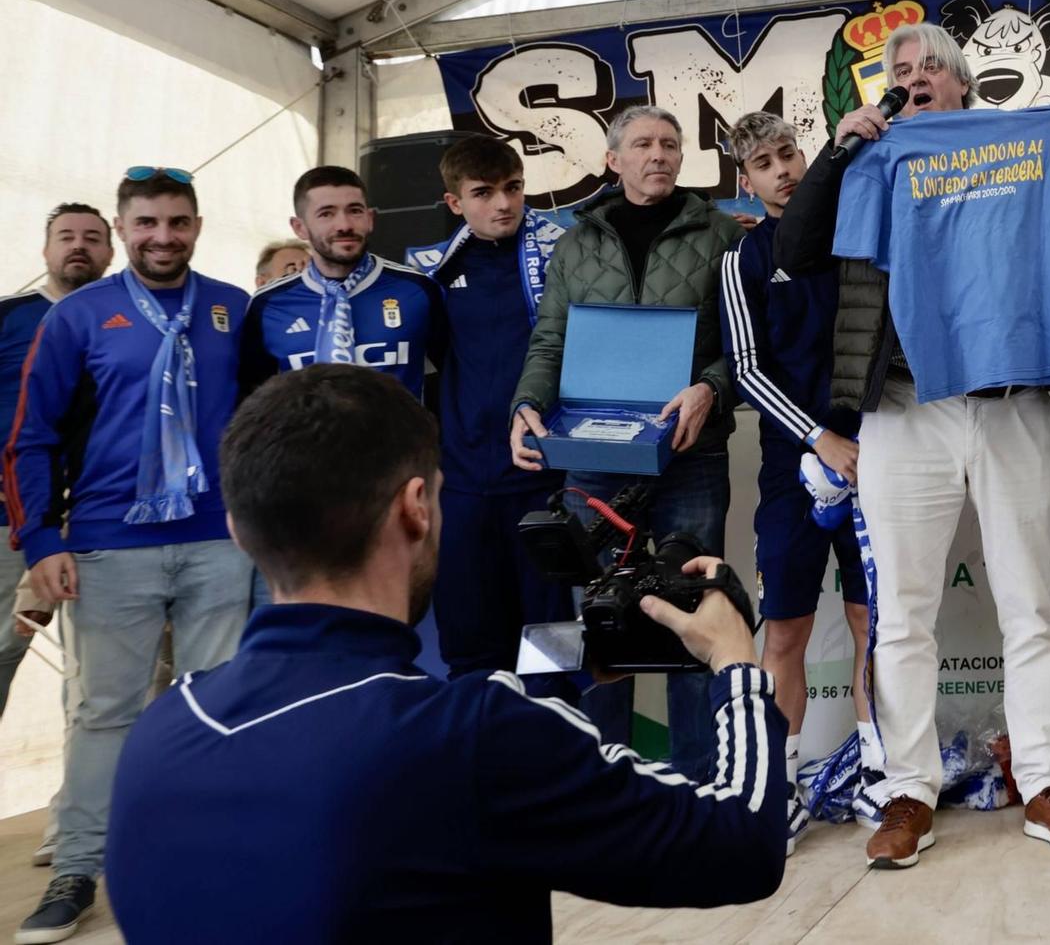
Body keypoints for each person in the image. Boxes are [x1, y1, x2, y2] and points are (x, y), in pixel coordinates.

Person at [104, 364, 786, 943]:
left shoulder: (160, 731)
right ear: (416, 508)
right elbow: (743, 841)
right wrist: (737, 666)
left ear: (239, 527)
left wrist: (573, 673)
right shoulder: (473, 738)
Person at [774, 22, 1050, 868]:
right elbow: (797, 250)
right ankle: (908, 790)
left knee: (1034, 606)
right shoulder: (874, 153)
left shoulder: (1029, 140)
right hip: (905, 408)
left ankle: (1045, 779)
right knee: (901, 613)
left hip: (1013, 397)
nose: (913, 80)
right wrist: (839, 152)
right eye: (900, 71)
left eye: (929, 68)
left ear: (963, 82)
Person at [7, 168, 254, 942]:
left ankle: (202, 856)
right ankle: (79, 867)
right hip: (109, 544)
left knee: (215, 707)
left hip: (221, 542)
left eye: (177, 222)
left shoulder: (234, 310)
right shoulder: (79, 315)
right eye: (146, 223)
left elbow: (262, 424)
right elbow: (30, 435)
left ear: (198, 226)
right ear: (123, 228)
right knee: (102, 714)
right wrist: (41, 541)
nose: (162, 237)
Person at [509, 105, 744, 775]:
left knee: (693, 608)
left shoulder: (723, 233)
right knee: (597, 620)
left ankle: (703, 782)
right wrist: (527, 402)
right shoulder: (575, 241)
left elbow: (746, 343)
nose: (659, 154)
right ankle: (601, 776)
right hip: (593, 455)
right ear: (613, 160)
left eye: (670, 143)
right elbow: (550, 338)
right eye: (642, 143)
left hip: (691, 454)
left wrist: (711, 388)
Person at [717, 111, 874, 853]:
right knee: (784, 630)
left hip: (874, 451)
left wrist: (855, 438)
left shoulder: (854, 228)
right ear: (744, 179)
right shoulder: (743, 255)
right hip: (792, 463)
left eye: (789, 154)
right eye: (764, 163)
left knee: (875, 625)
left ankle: (883, 768)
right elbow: (745, 369)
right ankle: (780, 785)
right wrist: (819, 437)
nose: (781, 170)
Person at [404, 139, 573, 684]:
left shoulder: (566, 254)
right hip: (466, 487)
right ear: (455, 203)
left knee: (553, 648)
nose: (503, 203)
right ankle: (484, 764)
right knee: (472, 649)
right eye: (483, 193)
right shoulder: (428, 274)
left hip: (546, 481)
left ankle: (551, 761)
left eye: (513, 187)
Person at [1, 205, 114, 721]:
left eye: (93, 238)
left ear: (110, 253)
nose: (79, 246)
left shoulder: (130, 316)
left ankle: (97, 800)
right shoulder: (10, 316)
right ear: (45, 249)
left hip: (103, 521)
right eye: (66, 236)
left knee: (102, 681)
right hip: (13, 524)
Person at [240, 166, 447, 403]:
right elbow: (252, 400)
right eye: (326, 214)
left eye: (354, 211)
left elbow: (455, 379)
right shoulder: (267, 304)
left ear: (370, 219)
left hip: (399, 440)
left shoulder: (417, 289)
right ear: (300, 227)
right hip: (306, 440)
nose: (344, 225)